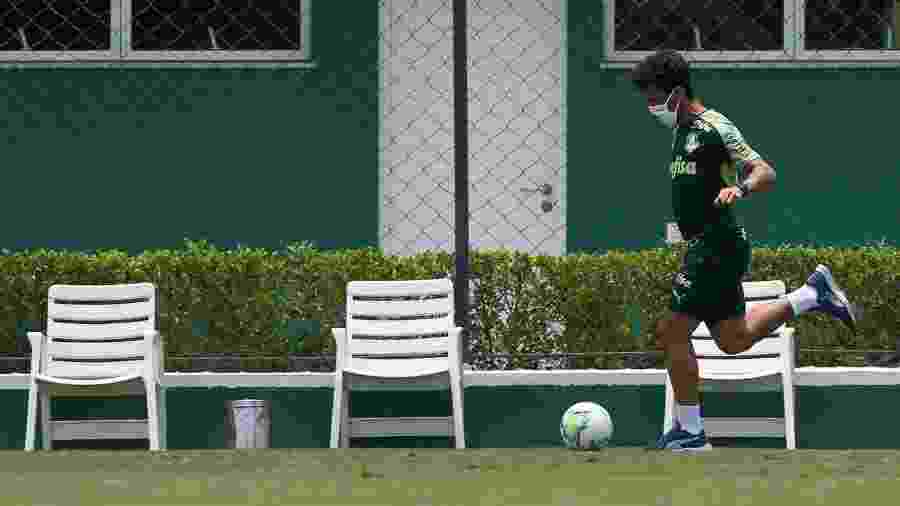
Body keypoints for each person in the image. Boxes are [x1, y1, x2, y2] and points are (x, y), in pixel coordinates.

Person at [629, 49, 859, 451]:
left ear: (677, 92)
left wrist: (742, 188)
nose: (649, 105)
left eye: (653, 96)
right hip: (709, 247)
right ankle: (809, 295)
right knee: (733, 340)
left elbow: (765, 171)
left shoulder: (715, 126)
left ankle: (690, 432)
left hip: (715, 245)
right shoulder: (681, 129)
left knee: (672, 331)